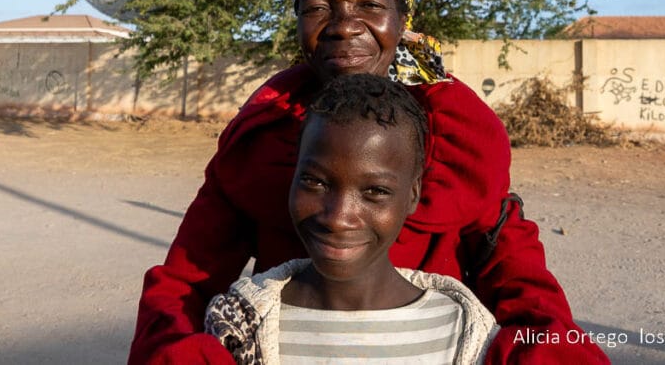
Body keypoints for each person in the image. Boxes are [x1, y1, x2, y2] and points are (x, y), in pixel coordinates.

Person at [129, 0, 609, 364]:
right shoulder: (259, 142)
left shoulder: (458, 145)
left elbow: (525, 293)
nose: (343, 26)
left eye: (370, 4)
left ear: (403, 22)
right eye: (318, 7)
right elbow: (183, 285)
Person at [203, 72, 499, 364]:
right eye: (315, 182)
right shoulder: (238, 325)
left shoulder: (462, 331)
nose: (338, 218)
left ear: (413, 194)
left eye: (375, 191)